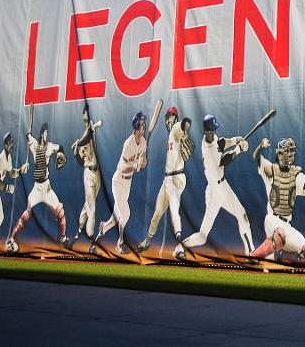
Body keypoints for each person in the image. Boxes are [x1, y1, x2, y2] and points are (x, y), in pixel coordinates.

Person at [178, 114, 255, 260]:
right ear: (205, 131)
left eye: (214, 129)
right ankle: (251, 253)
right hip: (217, 189)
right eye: (211, 130)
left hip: (220, 186)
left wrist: (235, 140)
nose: (213, 132)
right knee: (241, 214)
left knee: (203, 236)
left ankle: (251, 253)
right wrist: (238, 149)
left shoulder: (212, 138)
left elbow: (220, 143)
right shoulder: (207, 151)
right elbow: (224, 160)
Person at [248, 137, 305, 263]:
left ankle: (281, 254)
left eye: (292, 151)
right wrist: (261, 146)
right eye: (287, 151)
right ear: (279, 153)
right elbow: (256, 157)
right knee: (280, 234)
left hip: (286, 224)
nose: (290, 154)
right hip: (272, 220)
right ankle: (254, 257)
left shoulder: (296, 175)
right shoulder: (270, 169)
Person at [96, 107, 156, 254]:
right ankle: (120, 242)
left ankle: (103, 228)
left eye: (144, 124)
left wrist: (143, 160)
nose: (144, 126)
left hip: (127, 183)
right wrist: (136, 165)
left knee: (117, 217)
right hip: (118, 181)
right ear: (136, 127)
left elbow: (144, 163)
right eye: (142, 125)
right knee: (126, 213)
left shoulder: (143, 142)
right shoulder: (128, 144)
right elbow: (122, 168)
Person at [136, 108, 194, 254]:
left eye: (171, 116)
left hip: (176, 177)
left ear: (174, 118)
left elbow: (184, 125)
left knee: (174, 210)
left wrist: (185, 128)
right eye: (168, 117)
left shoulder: (175, 127)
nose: (168, 119)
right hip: (167, 179)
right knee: (157, 214)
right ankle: (147, 241)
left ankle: (180, 247)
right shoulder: (171, 134)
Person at [6, 122, 70, 252]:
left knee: (60, 213)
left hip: (47, 188)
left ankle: (62, 238)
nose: (46, 134)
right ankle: (11, 238)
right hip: (37, 188)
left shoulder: (50, 146)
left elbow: (61, 148)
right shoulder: (35, 145)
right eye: (45, 132)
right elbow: (28, 136)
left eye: (47, 132)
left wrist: (61, 155)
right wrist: (28, 133)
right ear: (41, 133)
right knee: (26, 215)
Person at [69, 106, 102, 248]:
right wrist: (75, 152)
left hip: (97, 174)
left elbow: (88, 135)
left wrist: (78, 142)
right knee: (92, 209)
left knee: (87, 207)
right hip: (88, 174)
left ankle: (77, 232)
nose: (86, 120)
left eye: (87, 118)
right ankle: (91, 241)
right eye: (84, 118)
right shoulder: (85, 134)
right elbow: (79, 162)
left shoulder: (90, 131)